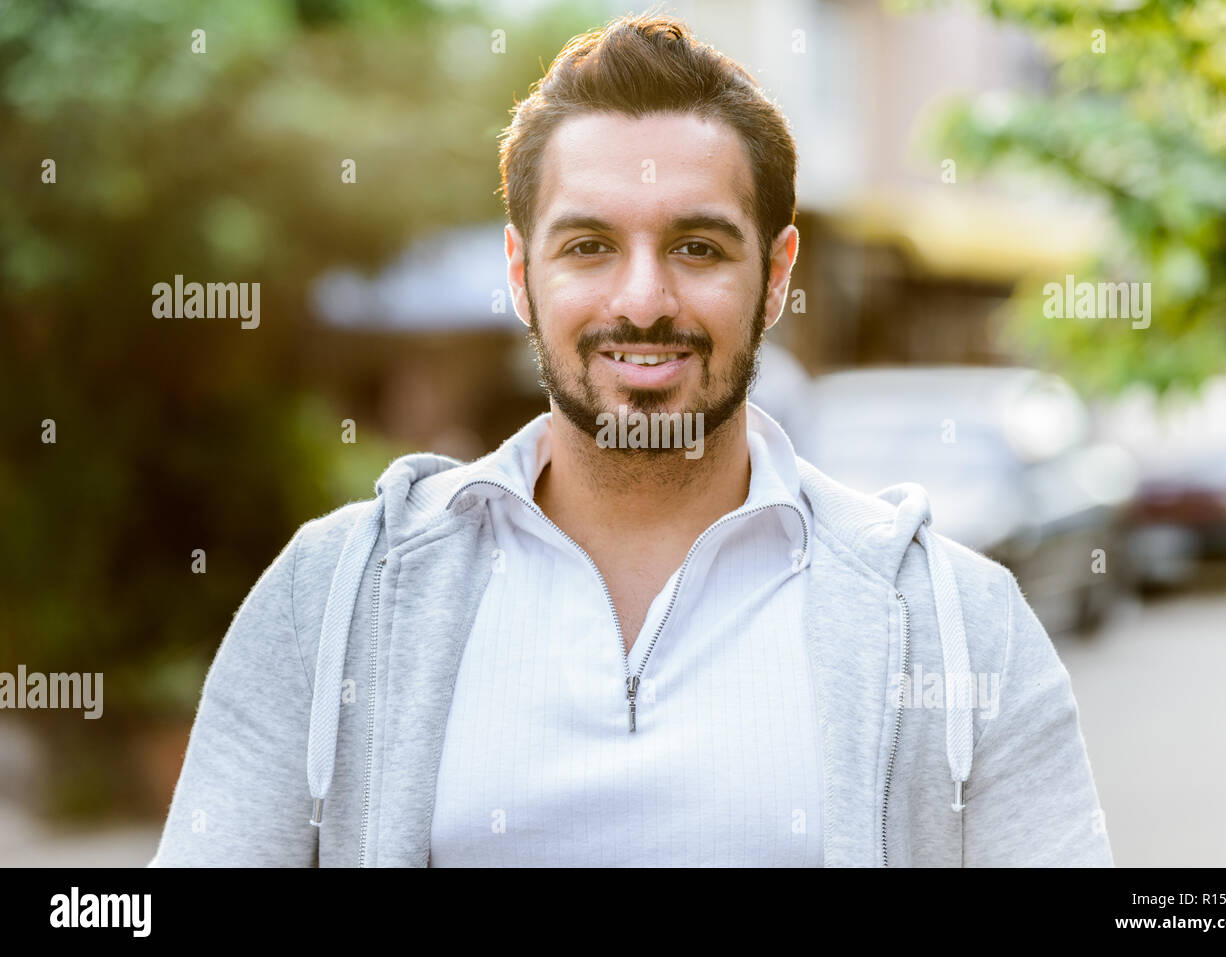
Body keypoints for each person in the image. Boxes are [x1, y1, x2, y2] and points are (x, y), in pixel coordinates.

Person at [150, 12, 1111, 867]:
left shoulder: (958, 623)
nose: (643, 300)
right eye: (589, 246)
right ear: (522, 273)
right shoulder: (332, 599)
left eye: (697, 247)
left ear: (776, 275)